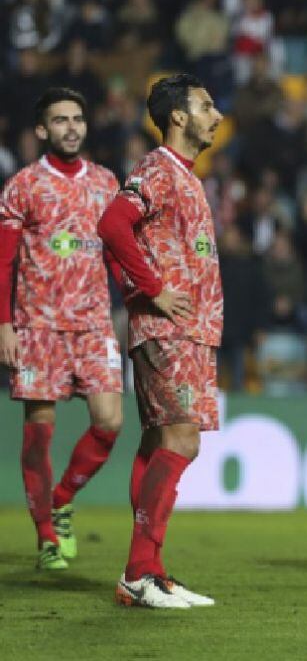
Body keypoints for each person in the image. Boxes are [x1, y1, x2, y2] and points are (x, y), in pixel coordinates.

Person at [97, 74, 224, 610]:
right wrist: (153, 289)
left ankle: (150, 570)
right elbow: (112, 225)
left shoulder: (187, 178)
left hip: (189, 332)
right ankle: (137, 571)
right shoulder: (158, 168)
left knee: (156, 445)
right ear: (178, 116)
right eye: (206, 105)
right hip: (168, 328)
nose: (216, 115)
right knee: (181, 441)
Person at [0, 87, 124, 571]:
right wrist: (4, 324)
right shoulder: (23, 186)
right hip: (39, 326)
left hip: (93, 325)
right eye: (60, 120)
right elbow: (4, 261)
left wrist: (136, 301)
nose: (70, 127)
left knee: (110, 421)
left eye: (77, 119)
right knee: (38, 434)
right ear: (41, 130)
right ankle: (47, 535)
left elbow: (116, 253)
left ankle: (63, 497)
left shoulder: (106, 183)